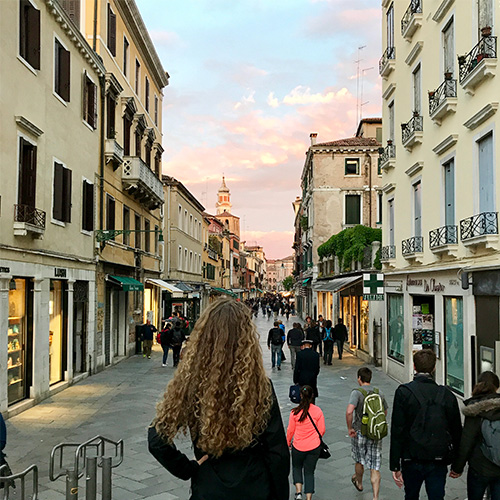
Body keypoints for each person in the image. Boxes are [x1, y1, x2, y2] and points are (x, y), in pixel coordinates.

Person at [148, 298, 290, 500]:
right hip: (255, 487)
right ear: (246, 338)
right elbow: (278, 454)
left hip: (208, 487)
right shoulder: (260, 386)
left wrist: (187, 469)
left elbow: (157, 438)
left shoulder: (191, 384)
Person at [390, 349, 462, 500]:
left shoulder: (404, 392)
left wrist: (395, 464)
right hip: (438, 458)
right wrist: (457, 464)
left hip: (411, 457)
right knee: (436, 496)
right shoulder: (447, 395)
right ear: (434, 367)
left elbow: (398, 430)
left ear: (414, 367)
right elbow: (456, 432)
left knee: (411, 495)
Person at [450, 371, 500, 500]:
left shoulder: (475, 410)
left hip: (479, 467)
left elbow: (466, 442)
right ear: (497, 387)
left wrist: (457, 468)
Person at [346, 367, 388, 500]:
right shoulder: (379, 392)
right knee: (375, 465)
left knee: (359, 460)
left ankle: (359, 482)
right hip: (375, 433)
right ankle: (375, 497)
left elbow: (349, 411)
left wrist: (350, 428)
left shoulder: (357, 393)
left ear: (359, 378)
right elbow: (384, 411)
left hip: (359, 431)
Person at [287, 385, 325, 500]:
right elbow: (322, 430)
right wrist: (315, 438)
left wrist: (288, 443)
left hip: (298, 446)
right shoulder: (317, 411)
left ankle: (298, 493)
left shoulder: (294, 412)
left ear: (300, 396)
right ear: (312, 396)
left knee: (297, 467)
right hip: (313, 447)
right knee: (309, 472)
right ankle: (309, 497)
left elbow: (290, 430)